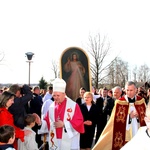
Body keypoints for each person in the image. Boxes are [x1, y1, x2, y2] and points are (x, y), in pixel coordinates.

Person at [93, 81, 147, 150]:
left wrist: (138, 116)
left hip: (138, 131)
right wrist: (129, 117)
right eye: (127, 90)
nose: (129, 92)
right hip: (125, 134)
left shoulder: (141, 101)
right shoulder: (119, 102)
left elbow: (146, 117)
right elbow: (115, 120)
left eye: (131, 90)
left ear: (136, 90)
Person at [38, 78, 85, 150]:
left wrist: (64, 124)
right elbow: (47, 121)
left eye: (58, 95)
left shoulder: (73, 106)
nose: (55, 98)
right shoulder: (52, 107)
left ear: (64, 94)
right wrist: (40, 122)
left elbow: (79, 122)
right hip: (55, 139)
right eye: (54, 95)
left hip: (70, 140)